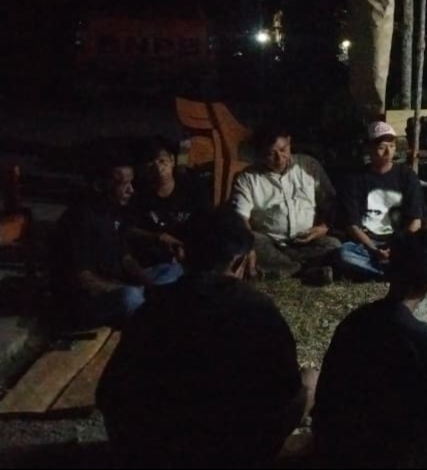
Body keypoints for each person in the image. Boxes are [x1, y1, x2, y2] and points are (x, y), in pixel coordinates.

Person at [98, 208, 307, 468]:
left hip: (149, 451)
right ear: (238, 262)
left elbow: (107, 393)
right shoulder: (258, 309)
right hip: (230, 453)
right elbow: (285, 391)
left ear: (183, 255)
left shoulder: (154, 306)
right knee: (308, 381)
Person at [312, 229, 427, 468]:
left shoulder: (353, 322)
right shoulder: (421, 338)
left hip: (338, 448)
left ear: (389, 271)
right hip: (392, 455)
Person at [50, 153, 182, 329]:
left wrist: (148, 284)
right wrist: (126, 287)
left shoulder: (112, 209)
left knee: (173, 269)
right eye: (124, 184)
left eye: (131, 183)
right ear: (100, 185)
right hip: (89, 300)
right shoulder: (79, 219)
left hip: (121, 285)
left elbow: (126, 257)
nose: (131, 190)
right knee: (131, 296)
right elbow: (82, 279)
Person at [230, 123, 340, 276]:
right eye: (270, 154)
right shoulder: (248, 178)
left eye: (283, 150)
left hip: (307, 241)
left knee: (334, 245)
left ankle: (284, 268)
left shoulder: (309, 165)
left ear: (289, 141)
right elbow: (240, 216)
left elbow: (329, 200)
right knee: (252, 242)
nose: (279, 158)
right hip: (271, 243)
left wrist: (323, 227)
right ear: (260, 153)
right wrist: (249, 246)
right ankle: (303, 271)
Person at [336, 121, 425, 279]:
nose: (388, 152)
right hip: (368, 243)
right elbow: (352, 225)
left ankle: (386, 269)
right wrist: (374, 250)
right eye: (382, 147)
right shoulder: (355, 179)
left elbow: (415, 221)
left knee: (424, 248)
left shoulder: (406, 175)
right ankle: (394, 272)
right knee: (344, 253)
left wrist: (397, 246)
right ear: (369, 148)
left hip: (400, 241)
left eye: (392, 146)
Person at [127, 135, 211, 266]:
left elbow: (206, 223)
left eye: (162, 161)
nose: (159, 169)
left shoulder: (192, 187)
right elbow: (128, 228)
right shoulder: (138, 193)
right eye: (151, 164)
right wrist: (157, 237)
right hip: (155, 260)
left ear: (172, 160)